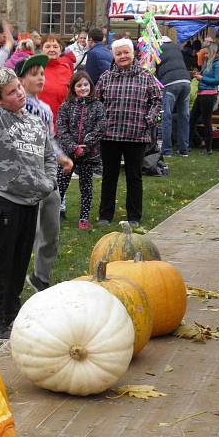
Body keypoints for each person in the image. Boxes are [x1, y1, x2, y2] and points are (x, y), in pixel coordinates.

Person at [0, 36, 57, 340]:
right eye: (11, 92)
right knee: (0, 261)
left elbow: (49, 154)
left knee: (20, 261)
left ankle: (12, 314)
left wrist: (47, 184)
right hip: (3, 199)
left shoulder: (35, 121)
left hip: (30, 201)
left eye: (19, 88)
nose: (20, 94)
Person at [16, 54, 72, 292]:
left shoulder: (47, 110)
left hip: (46, 177)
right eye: (34, 73)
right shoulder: (13, 106)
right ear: (20, 79)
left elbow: (50, 140)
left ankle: (41, 278)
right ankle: (11, 281)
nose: (40, 77)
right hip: (21, 178)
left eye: (42, 73)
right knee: (22, 232)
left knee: (51, 230)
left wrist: (61, 157)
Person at [95, 38, 162, 226]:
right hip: (109, 136)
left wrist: (147, 121)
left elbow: (156, 101)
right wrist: (101, 122)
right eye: (118, 54)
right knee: (109, 176)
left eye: (126, 52)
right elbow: (96, 102)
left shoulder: (146, 77)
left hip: (137, 135)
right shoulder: (105, 77)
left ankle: (134, 216)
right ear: (114, 56)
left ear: (133, 54)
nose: (123, 56)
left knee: (134, 177)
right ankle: (105, 215)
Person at [56, 71, 106, 230]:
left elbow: (100, 127)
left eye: (86, 84)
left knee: (86, 187)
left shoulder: (98, 106)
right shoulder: (66, 106)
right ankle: (52, 216)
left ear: (90, 86)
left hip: (88, 155)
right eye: (79, 85)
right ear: (73, 88)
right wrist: (73, 147)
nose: (83, 88)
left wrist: (85, 145)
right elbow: (61, 128)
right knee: (60, 186)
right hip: (68, 154)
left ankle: (84, 219)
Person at [157, 35, 192, 156]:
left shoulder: (158, 49)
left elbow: (155, 69)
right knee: (184, 116)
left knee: (167, 117)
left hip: (170, 83)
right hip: (186, 82)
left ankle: (166, 150)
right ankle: (184, 150)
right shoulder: (176, 48)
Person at [191, 43, 219, 155]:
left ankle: (208, 148)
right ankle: (197, 143)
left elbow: (217, 80)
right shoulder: (209, 63)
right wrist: (199, 76)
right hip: (202, 94)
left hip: (209, 95)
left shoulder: (218, 64)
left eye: (207, 53)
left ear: (212, 52)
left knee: (207, 122)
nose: (205, 55)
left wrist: (202, 78)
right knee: (192, 120)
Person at [38, 33, 75, 128]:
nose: (52, 50)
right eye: (47, 46)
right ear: (41, 50)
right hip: (38, 124)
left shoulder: (66, 69)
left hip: (61, 125)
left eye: (55, 46)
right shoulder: (35, 69)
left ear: (60, 50)